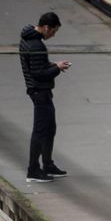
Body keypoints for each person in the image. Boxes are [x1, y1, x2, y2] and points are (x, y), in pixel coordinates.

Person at [19, 12, 71, 183]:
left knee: (50, 127)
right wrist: (57, 68)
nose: (53, 35)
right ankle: (33, 170)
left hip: (39, 91)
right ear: (46, 27)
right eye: (53, 31)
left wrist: (53, 65)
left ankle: (47, 164)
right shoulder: (36, 45)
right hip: (39, 91)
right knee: (41, 131)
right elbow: (39, 73)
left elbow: (38, 66)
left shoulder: (28, 37)